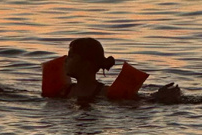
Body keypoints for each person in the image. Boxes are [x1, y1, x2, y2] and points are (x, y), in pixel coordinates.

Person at [45, 37, 181, 103]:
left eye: (71, 56)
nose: (65, 60)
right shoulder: (63, 92)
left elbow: (144, 100)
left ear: (87, 64)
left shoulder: (106, 94)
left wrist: (157, 96)